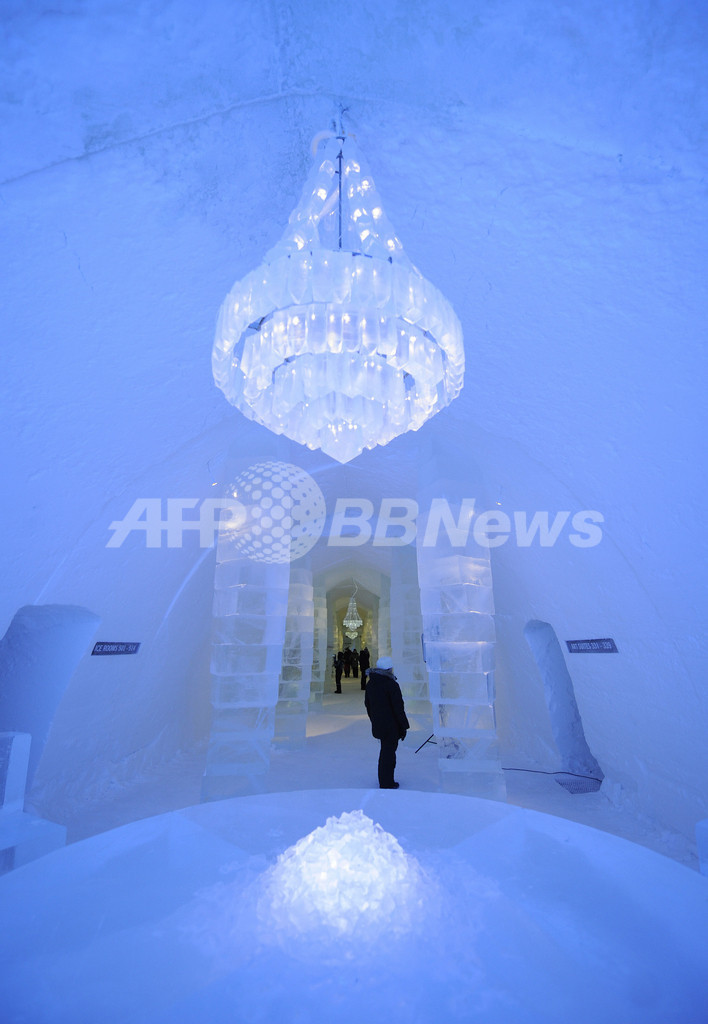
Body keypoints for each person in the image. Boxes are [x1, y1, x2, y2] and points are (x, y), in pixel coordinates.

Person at [364, 656, 409, 789]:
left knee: (385, 752)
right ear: (389, 669)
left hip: (380, 724)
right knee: (388, 754)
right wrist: (403, 726)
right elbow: (398, 708)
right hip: (391, 726)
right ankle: (387, 782)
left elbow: (368, 705)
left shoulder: (371, 683)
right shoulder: (391, 684)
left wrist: (374, 720)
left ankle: (385, 779)